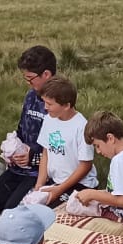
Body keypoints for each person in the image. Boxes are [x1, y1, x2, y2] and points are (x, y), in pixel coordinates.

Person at [0, 46, 56, 213]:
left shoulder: (58, 102)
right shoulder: (30, 96)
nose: (28, 83)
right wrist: (14, 149)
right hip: (19, 165)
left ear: (46, 74)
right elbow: (22, 128)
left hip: (40, 170)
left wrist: (33, 157)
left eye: (30, 79)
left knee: (12, 209)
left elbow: (59, 147)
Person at [74, 112, 123, 231]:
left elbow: (122, 201)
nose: (98, 152)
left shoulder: (119, 160)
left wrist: (91, 194)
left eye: (97, 145)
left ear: (110, 138)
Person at [33, 77, 97, 206]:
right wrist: (39, 186)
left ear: (67, 105)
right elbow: (46, 153)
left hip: (79, 184)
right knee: (32, 207)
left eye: (50, 104)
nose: (45, 107)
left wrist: (60, 189)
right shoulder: (49, 120)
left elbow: (85, 165)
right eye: (44, 102)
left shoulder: (81, 126)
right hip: (55, 181)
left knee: (52, 212)